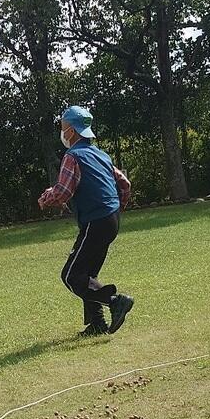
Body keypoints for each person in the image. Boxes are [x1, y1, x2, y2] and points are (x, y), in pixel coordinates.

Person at [38, 105, 135, 337]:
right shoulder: (101, 155)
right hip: (111, 219)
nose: (62, 132)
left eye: (63, 127)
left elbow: (63, 192)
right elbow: (125, 184)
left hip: (96, 220)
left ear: (71, 131)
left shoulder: (72, 156)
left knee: (71, 276)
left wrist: (46, 198)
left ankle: (115, 301)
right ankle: (97, 324)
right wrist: (116, 207)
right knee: (87, 275)